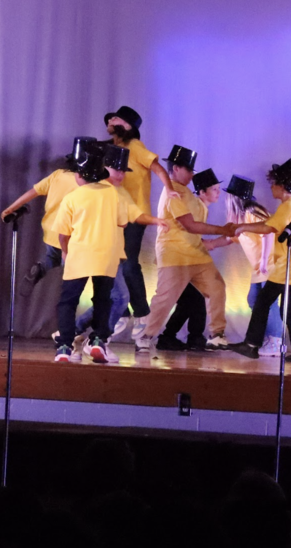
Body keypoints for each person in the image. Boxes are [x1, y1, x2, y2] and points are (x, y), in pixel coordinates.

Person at [52, 141, 162, 363]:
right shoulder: (114, 195)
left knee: (69, 301)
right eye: (117, 169)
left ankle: (65, 345)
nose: (121, 174)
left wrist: (65, 251)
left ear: (80, 175)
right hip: (107, 257)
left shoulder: (73, 197)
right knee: (105, 299)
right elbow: (123, 222)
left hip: (80, 256)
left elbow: (63, 233)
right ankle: (97, 341)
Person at [134, 146, 235, 355]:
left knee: (217, 287)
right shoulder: (173, 192)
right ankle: (146, 336)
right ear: (177, 168)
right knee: (165, 299)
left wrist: (219, 239)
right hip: (174, 254)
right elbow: (190, 225)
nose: (191, 174)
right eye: (189, 170)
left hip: (196, 254)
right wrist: (221, 230)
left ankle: (216, 334)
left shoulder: (186, 191)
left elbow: (195, 229)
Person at [103, 105, 178, 338]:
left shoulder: (135, 146)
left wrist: (170, 188)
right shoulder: (111, 148)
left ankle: (142, 313)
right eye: (111, 117)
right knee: (108, 263)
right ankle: (122, 312)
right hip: (113, 214)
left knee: (128, 263)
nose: (112, 119)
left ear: (128, 127)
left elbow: (156, 167)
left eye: (117, 118)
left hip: (135, 214)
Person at [231, 159, 291, 360]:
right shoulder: (290, 205)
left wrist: (243, 227)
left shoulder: (288, 206)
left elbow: (268, 228)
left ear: (282, 186)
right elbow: (271, 225)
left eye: (274, 183)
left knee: (262, 302)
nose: (271, 187)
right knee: (288, 308)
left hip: (288, 266)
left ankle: (251, 344)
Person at [1, 137, 86, 295]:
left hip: (51, 231)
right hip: (70, 237)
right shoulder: (87, 184)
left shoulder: (58, 175)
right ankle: (59, 297)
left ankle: (41, 271)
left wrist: (10, 208)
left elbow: (32, 192)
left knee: (51, 263)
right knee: (68, 279)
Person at [156, 169, 229, 352]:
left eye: (219, 189)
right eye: (214, 189)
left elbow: (201, 242)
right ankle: (181, 337)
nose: (218, 193)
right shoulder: (194, 206)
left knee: (192, 300)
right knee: (193, 299)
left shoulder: (200, 207)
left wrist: (225, 239)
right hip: (178, 260)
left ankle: (181, 338)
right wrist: (224, 236)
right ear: (202, 192)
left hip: (186, 259)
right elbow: (191, 233)